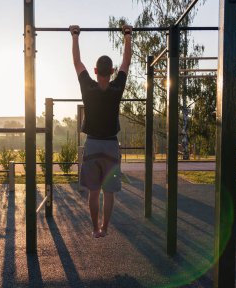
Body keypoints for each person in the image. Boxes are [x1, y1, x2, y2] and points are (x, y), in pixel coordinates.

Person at [69, 24, 132, 238]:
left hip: (93, 144)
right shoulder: (117, 88)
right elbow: (126, 61)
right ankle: (105, 228)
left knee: (94, 192)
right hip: (111, 146)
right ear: (112, 72)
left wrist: (75, 36)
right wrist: (127, 35)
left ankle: (95, 229)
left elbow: (77, 62)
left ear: (96, 72)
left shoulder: (87, 86)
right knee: (109, 192)